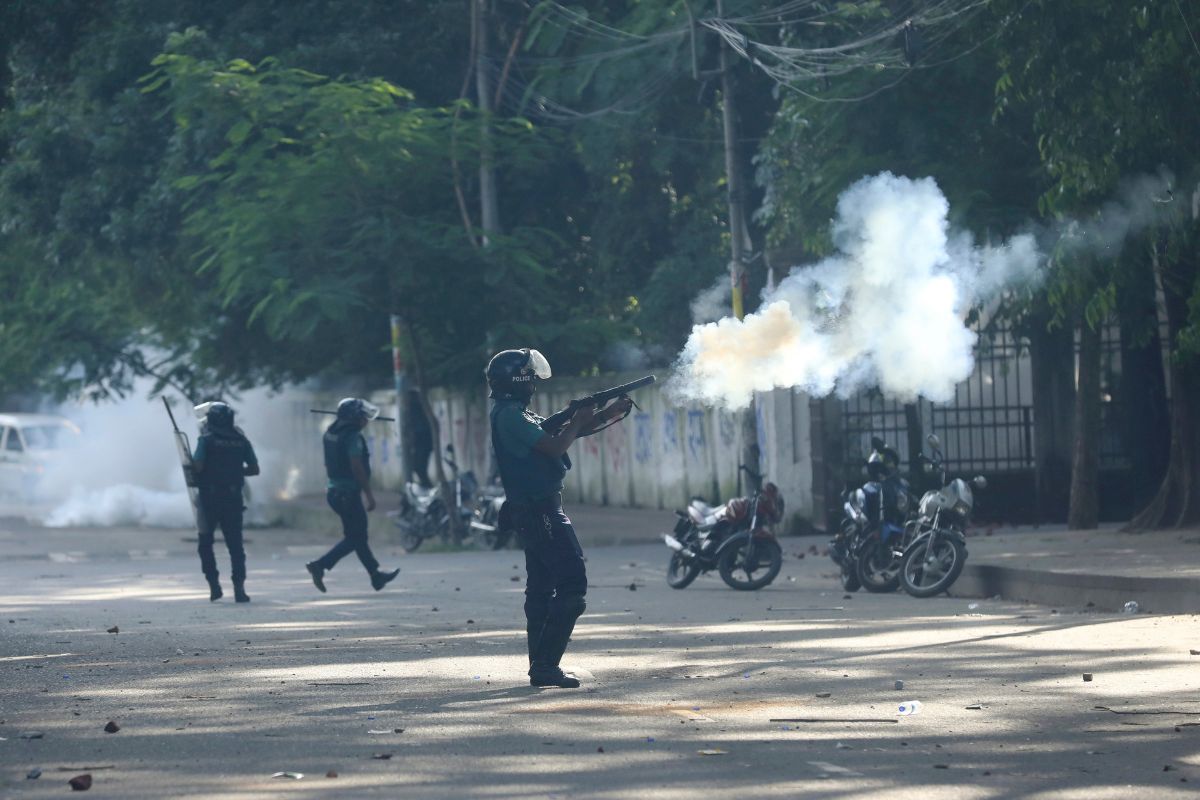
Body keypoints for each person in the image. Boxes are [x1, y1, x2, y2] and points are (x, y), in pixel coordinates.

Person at [487, 348, 632, 688]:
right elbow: (555, 447)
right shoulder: (510, 416)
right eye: (530, 377)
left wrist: (605, 414)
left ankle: (541, 665)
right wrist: (579, 419)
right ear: (519, 380)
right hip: (541, 511)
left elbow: (562, 434)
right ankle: (546, 665)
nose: (535, 383)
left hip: (535, 510)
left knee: (540, 588)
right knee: (572, 584)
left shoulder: (514, 413)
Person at [306, 397, 400, 593]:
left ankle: (376, 576)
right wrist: (369, 494)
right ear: (353, 417)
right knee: (356, 537)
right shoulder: (352, 437)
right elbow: (357, 466)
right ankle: (320, 565)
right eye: (361, 415)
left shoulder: (331, 432)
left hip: (334, 492)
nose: (365, 418)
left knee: (357, 536)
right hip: (348, 494)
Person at [192, 401, 259, 603]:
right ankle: (239, 588)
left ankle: (214, 585)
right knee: (235, 546)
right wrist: (235, 471)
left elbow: (197, 465)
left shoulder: (206, 440)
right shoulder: (241, 440)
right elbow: (255, 469)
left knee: (205, 543)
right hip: (233, 498)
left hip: (209, 498)